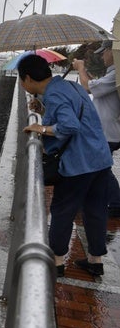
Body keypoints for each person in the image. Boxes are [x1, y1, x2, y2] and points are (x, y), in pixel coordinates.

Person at [20, 54, 112, 277]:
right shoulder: (73, 87)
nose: (22, 84)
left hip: (79, 163)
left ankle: (57, 263)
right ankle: (95, 261)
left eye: (20, 79)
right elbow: (77, 116)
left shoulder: (55, 94)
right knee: (96, 211)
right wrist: (43, 111)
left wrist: (40, 129)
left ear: (29, 78)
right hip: (100, 159)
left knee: (62, 211)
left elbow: (70, 126)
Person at [72, 40, 120, 217]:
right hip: (106, 130)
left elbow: (87, 87)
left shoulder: (115, 75)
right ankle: (107, 203)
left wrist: (81, 68)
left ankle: (115, 204)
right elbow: (93, 88)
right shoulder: (112, 74)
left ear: (111, 51)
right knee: (99, 168)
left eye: (103, 52)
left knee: (99, 168)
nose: (101, 55)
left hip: (108, 132)